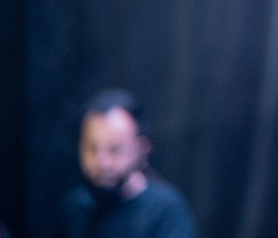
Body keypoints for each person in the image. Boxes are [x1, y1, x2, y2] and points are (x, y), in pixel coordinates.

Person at [54, 89, 196, 238]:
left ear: (142, 149)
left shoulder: (166, 211)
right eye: (92, 148)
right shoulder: (73, 208)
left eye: (115, 150)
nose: (102, 162)